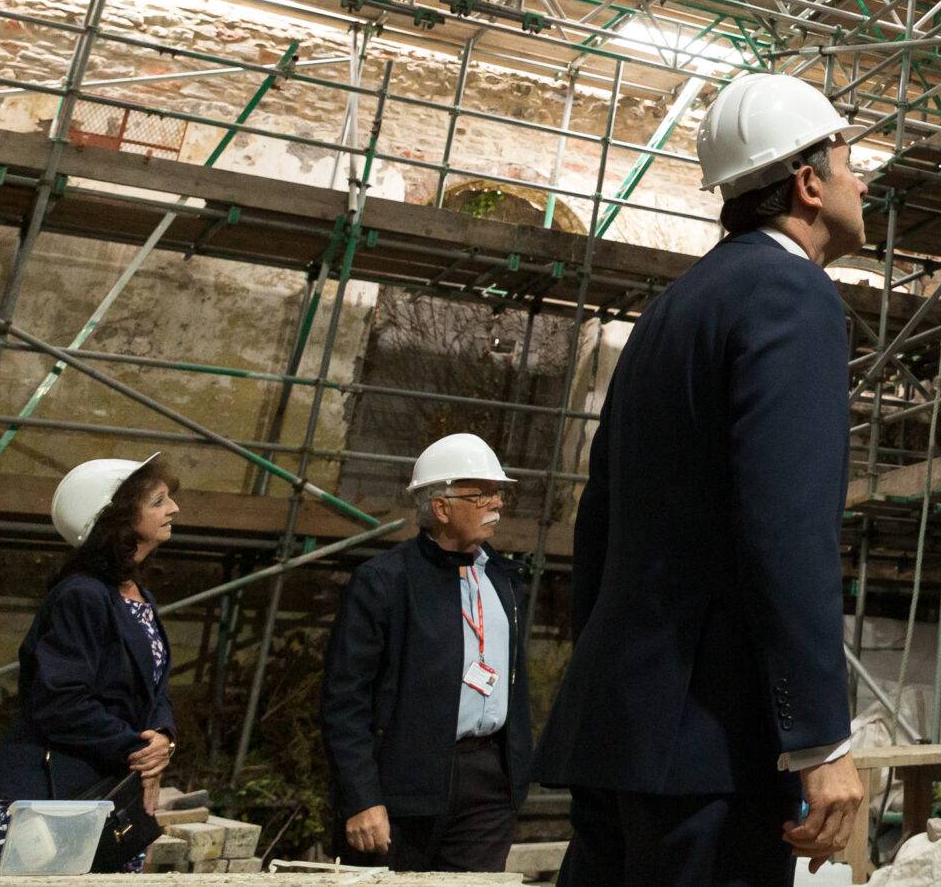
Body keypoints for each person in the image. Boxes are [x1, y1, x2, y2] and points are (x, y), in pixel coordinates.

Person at [539, 72, 868, 887]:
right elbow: (786, 529)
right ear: (808, 182)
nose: (863, 183)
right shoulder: (793, 295)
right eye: (850, 162)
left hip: (623, 727)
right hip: (713, 749)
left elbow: (599, 520)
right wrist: (820, 738)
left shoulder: (675, 307)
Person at [320, 432, 534, 872]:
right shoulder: (385, 582)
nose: (497, 504)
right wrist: (362, 797)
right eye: (483, 495)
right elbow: (345, 699)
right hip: (405, 788)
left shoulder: (504, 578)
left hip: (489, 785)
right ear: (441, 507)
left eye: (499, 493)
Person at [0, 454, 179, 876]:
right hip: (46, 802)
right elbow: (60, 702)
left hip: (104, 802)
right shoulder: (81, 595)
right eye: (158, 501)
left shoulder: (138, 598)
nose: (174, 509)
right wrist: (138, 749)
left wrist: (162, 739)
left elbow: (154, 690)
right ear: (115, 520)